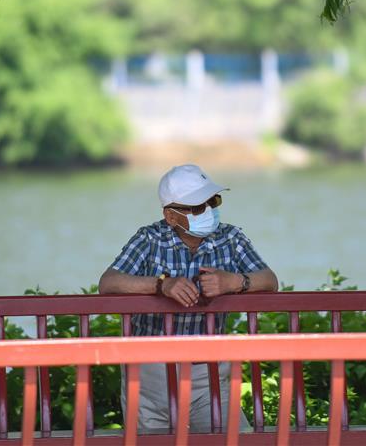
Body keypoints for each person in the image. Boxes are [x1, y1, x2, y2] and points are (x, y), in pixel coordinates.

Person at [98, 163, 278, 434]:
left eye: (212, 201)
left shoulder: (231, 237)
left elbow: (270, 280)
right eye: (196, 207)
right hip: (150, 372)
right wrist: (161, 285)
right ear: (170, 216)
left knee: (236, 438)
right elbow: (108, 283)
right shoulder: (148, 239)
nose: (208, 211)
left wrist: (234, 282)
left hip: (209, 371)